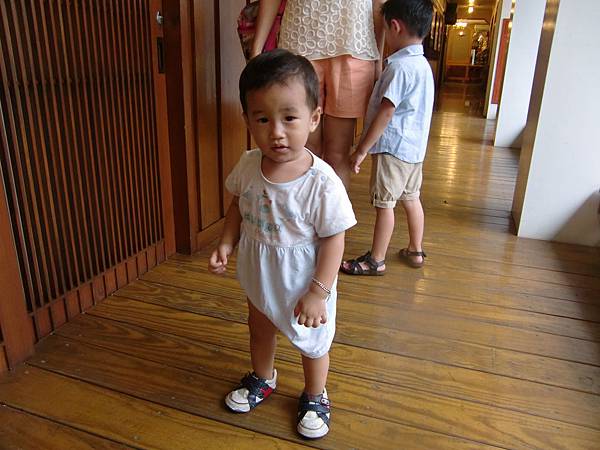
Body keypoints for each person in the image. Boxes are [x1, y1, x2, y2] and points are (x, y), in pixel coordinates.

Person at [208, 49, 356, 439]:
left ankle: (316, 394)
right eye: (263, 119)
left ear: (314, 118)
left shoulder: (321, 182)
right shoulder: (248, 165)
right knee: (260, 328)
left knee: (313, 342)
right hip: (260, 272)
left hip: (305, 279)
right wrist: (226, 242)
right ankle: (263, 376)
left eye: (289, 118)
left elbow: (334, 238)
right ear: (247, 121)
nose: (276, 131)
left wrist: (318, 292)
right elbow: (238, 205)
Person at [340, 0, 434, 275]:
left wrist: (361, 149)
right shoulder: (423, 66)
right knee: (411, 198)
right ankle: (415, 250)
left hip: (393, 150)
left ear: (395, 26)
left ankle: (376, 260)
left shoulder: (399, 68)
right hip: (414, 151)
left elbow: (386, 112)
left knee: (384, 205)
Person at [250, 0, 386, 188]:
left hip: (354, 47)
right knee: (302, 151)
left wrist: (378, 57)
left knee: (338, 154)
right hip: (299, 44)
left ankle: (332, 208)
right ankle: (297, 207)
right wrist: (256, 50)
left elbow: (379, 3)